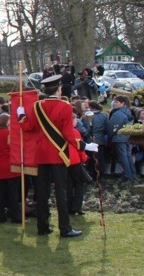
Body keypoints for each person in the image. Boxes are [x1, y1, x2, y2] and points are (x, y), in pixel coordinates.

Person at [17, 74, 96, 237]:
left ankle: (42, 227)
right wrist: (84, 145)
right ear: (59, 89)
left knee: (41, 192)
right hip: (58, 154)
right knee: (61, 192)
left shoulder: (37, 106)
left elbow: (28, 127)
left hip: (41, 155)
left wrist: (20, 115)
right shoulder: (65, 106)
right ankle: (65, 228)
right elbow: (68, 134)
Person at [106, 95, 135, 182]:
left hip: (119, 137)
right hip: (127, 137)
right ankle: (132, 174)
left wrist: (110, 135)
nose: (115, 103)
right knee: (128, 156)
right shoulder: (127, 111)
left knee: (123, 157)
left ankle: (127, 175)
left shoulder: (118, 113)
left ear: (122, 103)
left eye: (117, 102)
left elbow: (113, 127)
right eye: (114, 102)